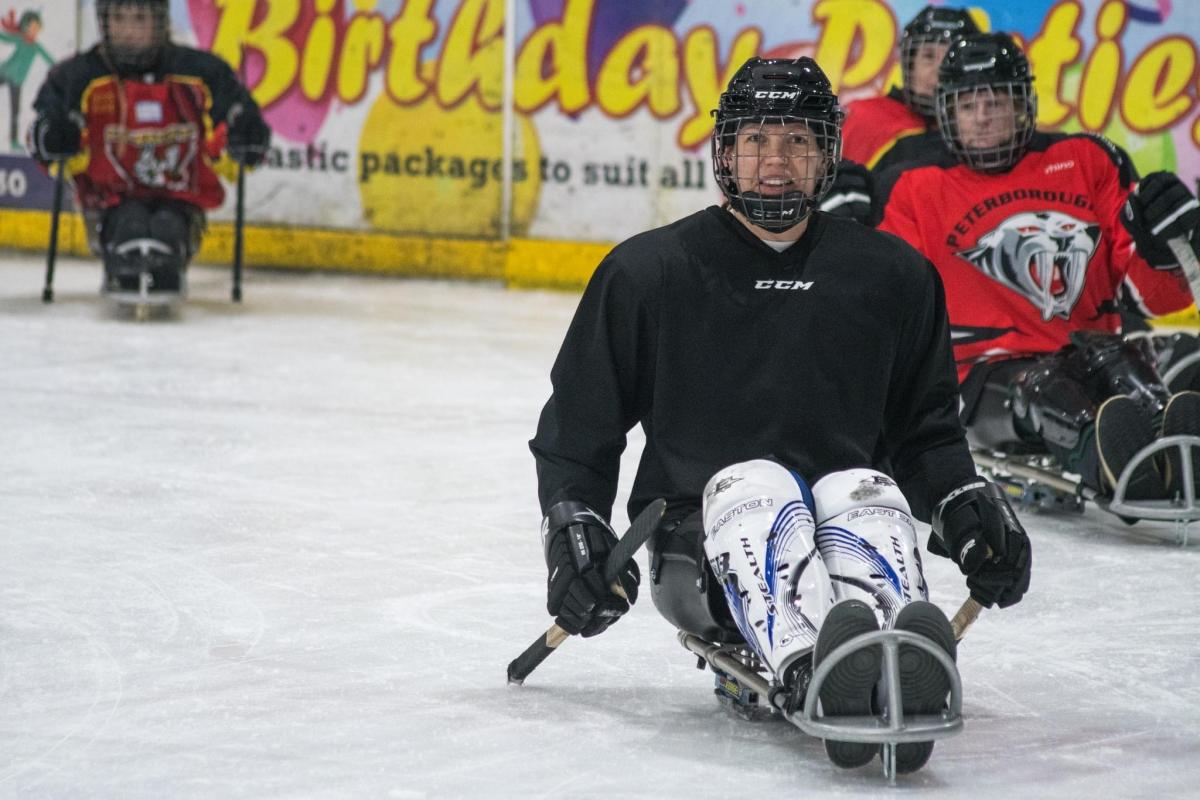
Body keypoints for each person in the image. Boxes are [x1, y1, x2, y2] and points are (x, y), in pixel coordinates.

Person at [529, 56, 1031, 774]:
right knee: (760, 484)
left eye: (798, 141)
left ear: (827, 155)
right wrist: (573, 529)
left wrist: (964, 506)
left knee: (867, 492)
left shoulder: (892, 276)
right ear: (725, 152)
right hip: (697, 541)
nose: (775, 161)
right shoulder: (648, 273)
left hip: (837, 526)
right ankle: (810, 667)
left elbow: (925, 435)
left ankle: (898, 659)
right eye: (756, 139)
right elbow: (578, 435)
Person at [876, 32, 1200, 503]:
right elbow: (891, 302)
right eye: (968, 106)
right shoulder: (915, 188)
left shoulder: (1087, 159)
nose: (983, 117)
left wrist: (1163, 252)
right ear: (948, 113)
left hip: (1097, 347)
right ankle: (1120, 470)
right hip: (984, 375)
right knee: (1049, 394)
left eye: (996, 102)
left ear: (1023, 103)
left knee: (1130, 371)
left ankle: (1173, 439)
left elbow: (1156, 298)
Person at [26, 0, 270, 297]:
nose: (128, 31)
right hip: (109, 203)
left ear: (160, 21)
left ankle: (172, 256)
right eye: (119, 18)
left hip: (181, 202)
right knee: (130, 225)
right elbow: (42, 139)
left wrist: (246, 136)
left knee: (167, 228)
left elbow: (236, 133)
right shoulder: (75, 78)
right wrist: (54, 139)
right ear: (104, 21)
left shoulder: (204, 73)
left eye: (140, 18)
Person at [820, 5, 980, 225]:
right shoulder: (868, 117)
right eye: (928, 56)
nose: (940, 70)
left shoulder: (986, 126)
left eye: (952, 57)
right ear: (909, 64)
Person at [0, 9, 54, 151]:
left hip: (17, 81)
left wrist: (62, 68)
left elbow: (48, 58)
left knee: (15, 112)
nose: (34, 30)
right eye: (32, 26)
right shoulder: (20, 38)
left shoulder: (35, 46)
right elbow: (5, 38)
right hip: (5, 72)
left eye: (37, 27)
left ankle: (13, 141)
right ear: (25, 26)